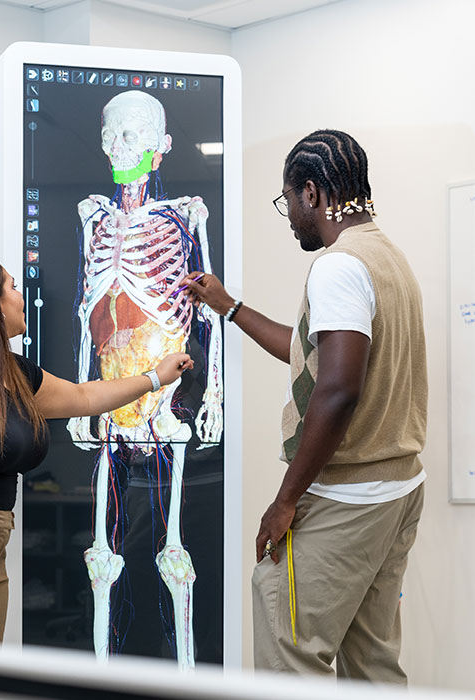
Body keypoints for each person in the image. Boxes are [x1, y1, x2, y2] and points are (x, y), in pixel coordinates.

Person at [181, 129, 427, 682]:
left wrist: (285, 500)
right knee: (372, 661)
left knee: (286, 636)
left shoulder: (338, 266)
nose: (289, 215)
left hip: (348, 493)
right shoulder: (385, 254)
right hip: (397, 490)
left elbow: (338, 389)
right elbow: (313, 352)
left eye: (288, 201)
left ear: (311, 194)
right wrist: (230, 307)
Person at [0, 255, 193, 641]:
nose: (20, 295)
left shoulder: (13, 373)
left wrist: (155, 377)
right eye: (11, 286)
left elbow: (83, 397)